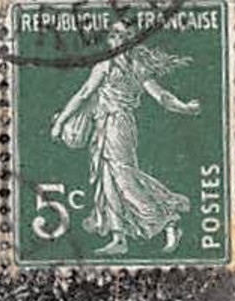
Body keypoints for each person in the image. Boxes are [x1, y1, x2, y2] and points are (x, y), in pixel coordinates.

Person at [50, 21, 200, 256]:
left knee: (123, 177)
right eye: (114, 35)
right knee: (108, 177)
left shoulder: (127, 65)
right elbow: (84, 94)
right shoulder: (109, 63)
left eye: (122, 35)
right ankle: (119, 237)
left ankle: (167, 219)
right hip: (104, 124)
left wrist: (184, 107)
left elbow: (159, 95)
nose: (117, 39)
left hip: (118, 125)